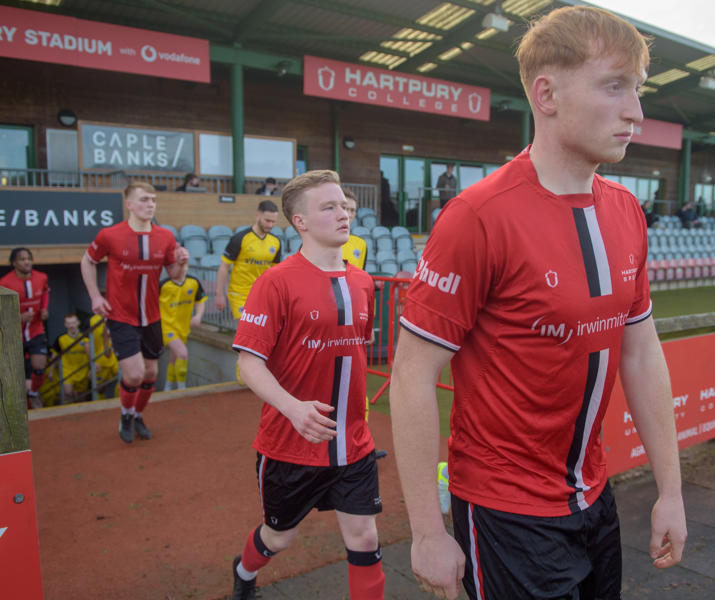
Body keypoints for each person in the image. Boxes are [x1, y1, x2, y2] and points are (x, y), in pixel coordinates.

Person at [389, 7, 687, 600]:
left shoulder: (627, 211)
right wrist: (426, 531)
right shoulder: (477, 216)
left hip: (595, 499)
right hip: (506, 511)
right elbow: (411, 374)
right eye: (614, 86)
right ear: (545, 94)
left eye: (638, 89)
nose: (636, 111)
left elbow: (642, 353)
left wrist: (671, 492)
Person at [229, 170, 384, 600]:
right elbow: (249, 362)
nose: (343, 214)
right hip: (290, 446)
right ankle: (244, 572)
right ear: (300, 222)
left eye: (344, 206)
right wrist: (294, 408)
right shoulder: (275, 282)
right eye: (329, 207)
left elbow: (354, 354)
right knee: (279, 539)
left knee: (365, 538)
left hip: (352, 444)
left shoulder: (363, 282)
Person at [81, 181, 189, 443]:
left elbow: (174, 277)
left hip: (152, 316)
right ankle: (126, 415)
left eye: (152, 200)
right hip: (121, 315)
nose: (149, 204)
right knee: (134, 374)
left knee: (151, 374)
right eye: (143, 199)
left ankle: (138, 415)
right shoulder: (110, 235)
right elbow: (88, 261)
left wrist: (183, 263)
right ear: (128, 204)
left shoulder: (165, 236)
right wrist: (96, 296)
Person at [0, 247, 50, 409]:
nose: (27, 261)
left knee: (40, 366)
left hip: (36, 330)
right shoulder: (5, 283)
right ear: (14, 263)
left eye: (29, 258)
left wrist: (44, 309)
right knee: (11, 372)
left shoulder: (41, 277)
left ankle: (34, 393)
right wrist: (18, 317)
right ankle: (12, 404)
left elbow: (45, 293)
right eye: (22, 259)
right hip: (13, 334)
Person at [159, 261, 207, 391]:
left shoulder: (193, 282)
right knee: (183, 353)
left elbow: (201, 300)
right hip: (166, 327)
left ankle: (167, 388)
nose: (181, 268)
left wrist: (198, 316)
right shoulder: (163, 285)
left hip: (183, 328)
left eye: (183, 265)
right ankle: (182, 389)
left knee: (174, 359)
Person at [51, 313, 90, 404]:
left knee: (81, 396)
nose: (71, 325)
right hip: (67, 370)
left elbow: (91, 354)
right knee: (68, 393)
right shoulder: (60, 339)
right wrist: (51, 371)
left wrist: (92, 367)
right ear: (65, 324)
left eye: (73, 323)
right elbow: (55, 355)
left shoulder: (85, 337)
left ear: (78, 323)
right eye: (69, 323)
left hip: (82, 369)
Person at [89, 313, 119, 399]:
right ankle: (100, 410)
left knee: (124, 378)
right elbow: (87, 342)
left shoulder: (116, 314)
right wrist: (92, 361)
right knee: (99, 389)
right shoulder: (91, 320)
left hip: (115, 356)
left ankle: (122, 404)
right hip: (100, 359)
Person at [341, 187, 368, 269]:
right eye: (344, 208)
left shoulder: (360, 244)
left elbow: (360, 276)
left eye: (352, 210)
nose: (348, 215)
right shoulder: (318, 242)